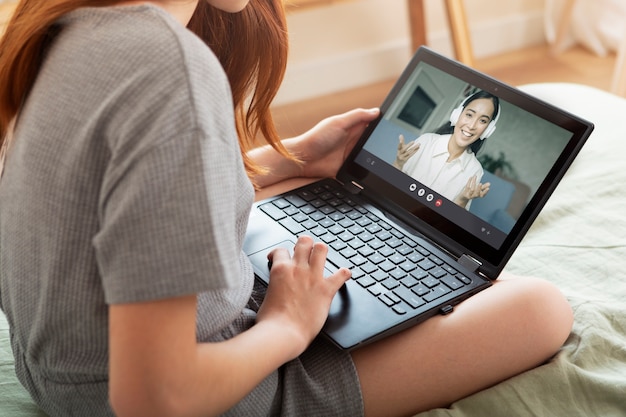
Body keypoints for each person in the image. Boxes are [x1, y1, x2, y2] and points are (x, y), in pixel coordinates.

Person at [0, 1, 573, 417]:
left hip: (58, 369)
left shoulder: (66, 22)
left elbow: (126, 189)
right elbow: (154, 400)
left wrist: (290, 158)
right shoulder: (170, 66)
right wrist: (286, 327)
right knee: (542, 307)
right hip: (188, 392)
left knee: (295, 211)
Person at [393, 91, 500, 208]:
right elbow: (390, 188)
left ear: (488, 130)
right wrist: (398, 164)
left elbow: (449, 219)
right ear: (457, 114)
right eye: (469, 115)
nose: (471, 126)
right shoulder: (426, 141)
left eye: (483, 120)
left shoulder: (474, 170)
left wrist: (462, 200)